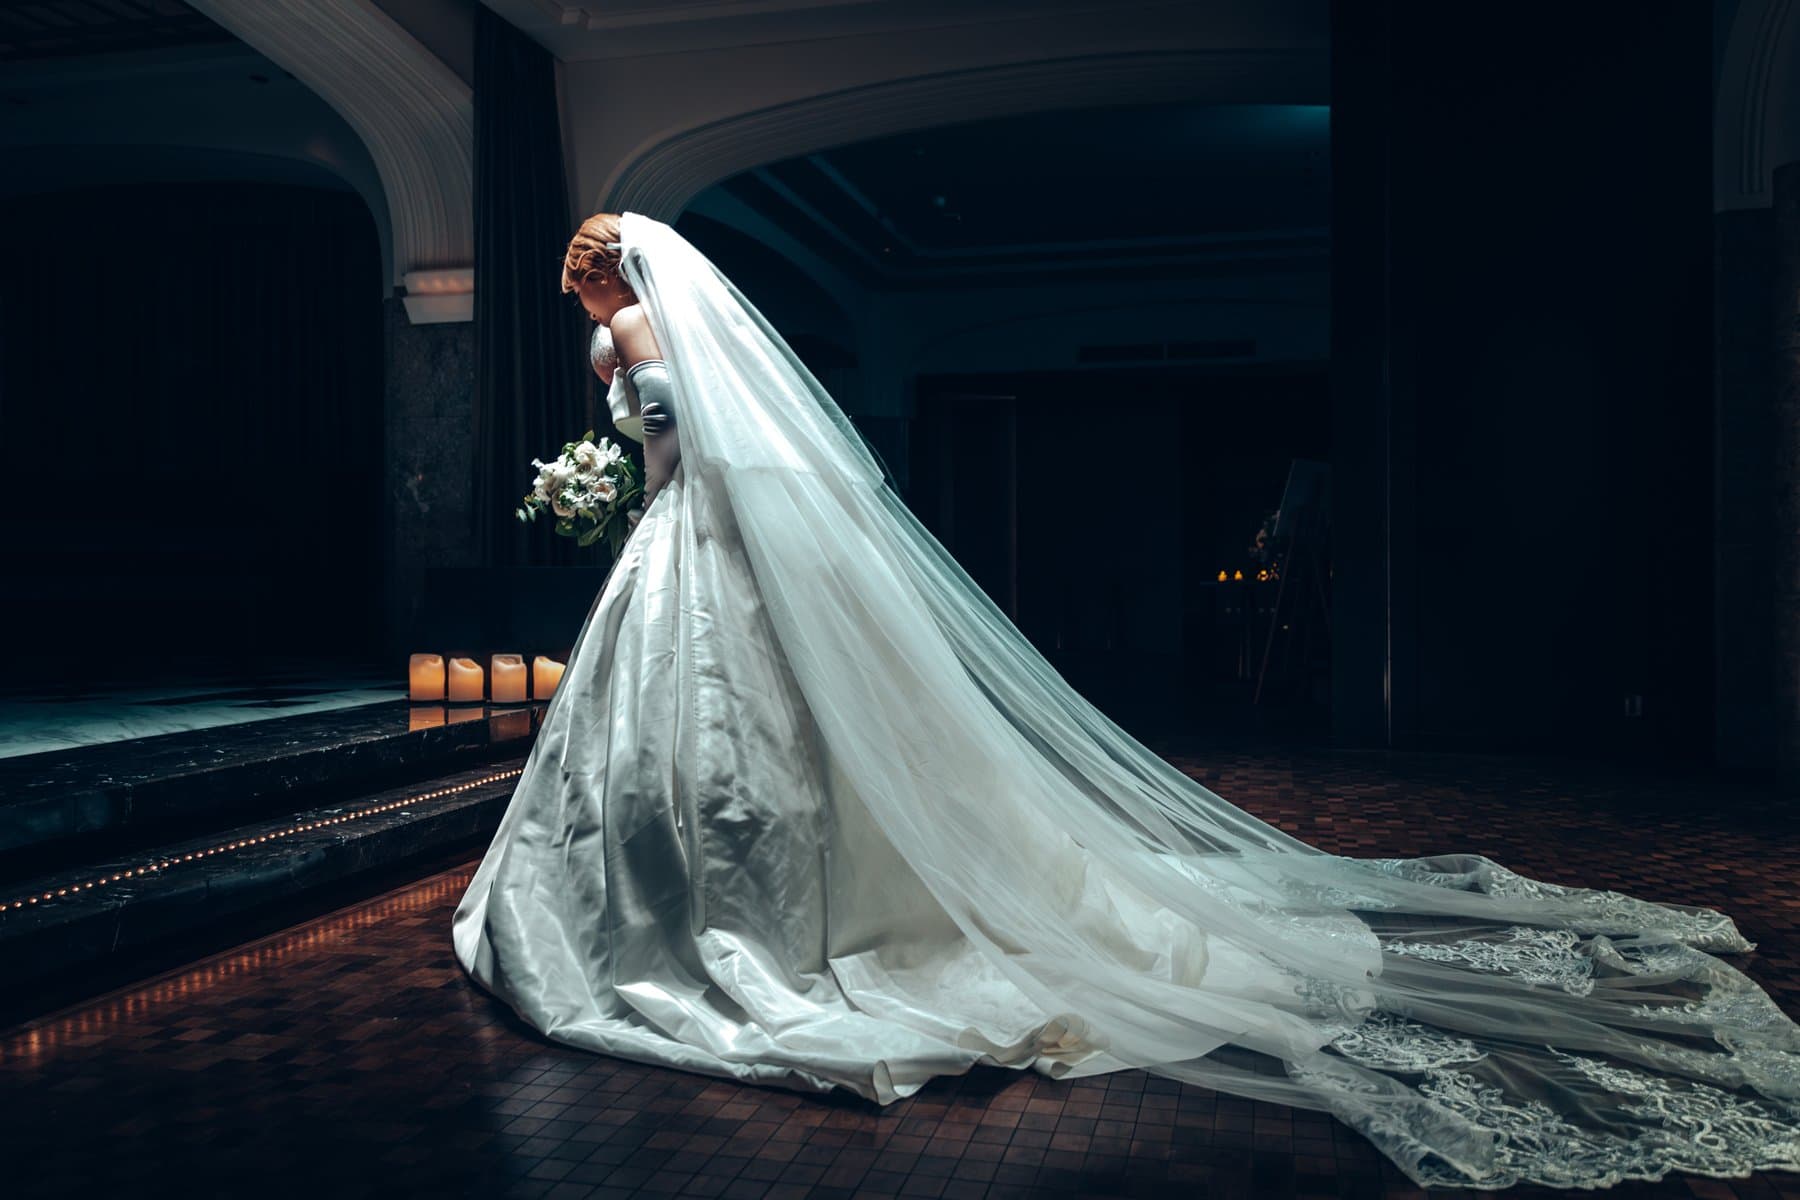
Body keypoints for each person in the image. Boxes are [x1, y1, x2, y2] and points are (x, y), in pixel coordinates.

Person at [453, 210, 1800, 1191]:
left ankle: (705, 924)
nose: (593, 306)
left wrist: (618, 481)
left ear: (603, 278)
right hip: (696, 541)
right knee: (756, 751)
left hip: (692, 539)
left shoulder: (627, 332)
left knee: (710, 752)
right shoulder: (656, 336)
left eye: (589, 287)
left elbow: (669, 445)